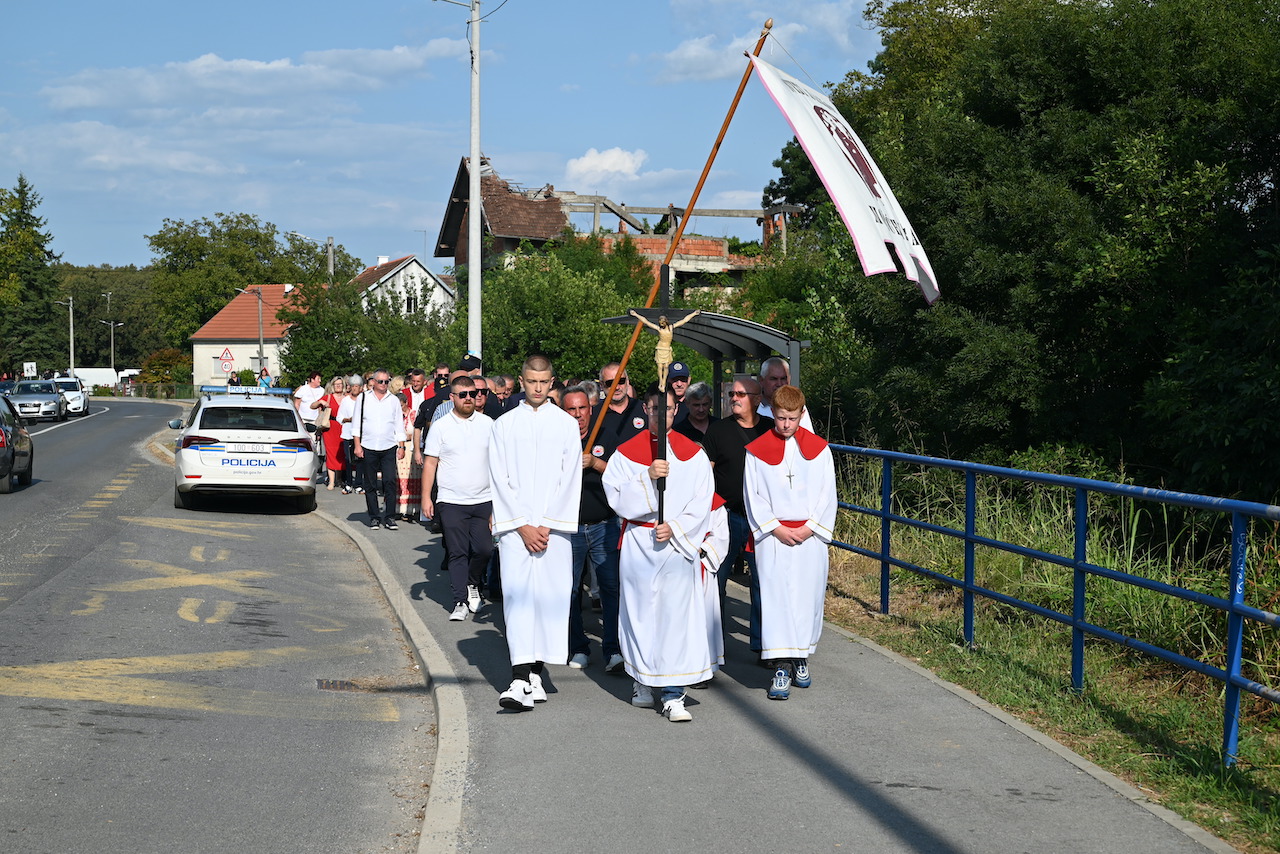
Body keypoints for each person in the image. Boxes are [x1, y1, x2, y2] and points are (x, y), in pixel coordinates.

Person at [603, 384, 714, 722]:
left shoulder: (693, 454)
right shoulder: (626, 453)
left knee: (674, 619)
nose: (661, 415)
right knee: (639, 615)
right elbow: (615, 496)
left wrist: (676, 527)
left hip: (675, 546)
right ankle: (641, 681)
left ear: (676, 411)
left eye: (667, 409)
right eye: (654, 409)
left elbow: (703, 500)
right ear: (645, 410)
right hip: (639, 541)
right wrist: (647, 477)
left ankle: (673, 693)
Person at [488, 355, 582, 712]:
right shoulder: (504, 424)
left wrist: (547, 523)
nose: (538, 388)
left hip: (553, 529)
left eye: (544, 382)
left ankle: (536, 673)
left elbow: (570, 477)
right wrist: (522, 524)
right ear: (522, 380)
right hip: (516, 529)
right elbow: (498, 477)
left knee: (547, 599)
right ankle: (519, 676)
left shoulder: (565, 424)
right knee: (517, 598)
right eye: (531, 381)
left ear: (552, 382)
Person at [744, 385, 837, 701]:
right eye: (781, 418)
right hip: (774, 538)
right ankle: (781, 668)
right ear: (773, 413)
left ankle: (801, 658)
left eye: (792, 418)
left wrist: (811, 528)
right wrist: (775, 528)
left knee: (806, 600)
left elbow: (828, 494)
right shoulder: (756, 451)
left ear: (801, 414)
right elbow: (752, 494)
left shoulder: (820, 450)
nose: (786, 424)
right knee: (776, 602)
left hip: (809, 538)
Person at [701, 376, 773, 655]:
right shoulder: (718, 430)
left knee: (762, 582)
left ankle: (763, 645)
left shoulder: (770, 429)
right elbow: (705, 474)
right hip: (726, 516)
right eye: (732, 393)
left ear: (757, 399)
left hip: (761, 519)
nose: (734, 398)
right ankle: (712, 645)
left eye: (741, 394)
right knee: (716, 579)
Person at [561, 386, 624, 673]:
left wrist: (596, 463)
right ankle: (578, 647)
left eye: (582, 408)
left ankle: (613, 649)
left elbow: (623, 475)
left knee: (611, 588)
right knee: (571, 590)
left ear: (591, 409)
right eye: (571, 409)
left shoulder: (606, 436)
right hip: (569, 527)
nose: (578, 415)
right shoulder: (558, 439)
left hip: (604, 525)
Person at [422, 375, 495, 621]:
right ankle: (459, 601)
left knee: (484, 550)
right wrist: (426, 498)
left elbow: (499, 463)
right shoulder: (441, 426)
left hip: (484, 500)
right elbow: (430, 463)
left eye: (473, 394)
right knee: (457, 552)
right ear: (452, 397)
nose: (469, 398)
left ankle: (472, 583)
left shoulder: (488, 424)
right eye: (463, 395)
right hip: (451, 500)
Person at [352, 369, 407, 530]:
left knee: (389, 482)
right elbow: (356, 424)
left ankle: (390, 517)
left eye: (386, 381)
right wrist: (357, 445)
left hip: (389, 446)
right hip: (368, 446)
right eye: (381, 381)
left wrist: (401, 446)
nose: (384, 384)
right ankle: (374, 517)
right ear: (374, 382)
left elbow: (398, 425)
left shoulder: (393, 400)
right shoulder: (363, 398)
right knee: (370, 484)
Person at [758, 356, 813, 431]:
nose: (779, 384)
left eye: (783, 378)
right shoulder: (753, 406)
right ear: (761, 380)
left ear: (789, 379)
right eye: (774, 379)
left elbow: (807, 436)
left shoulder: (797, 405)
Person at [598, 361, 645, 445]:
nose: (616, 387)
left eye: (621, 381)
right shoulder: (595, 415)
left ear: (627, 381)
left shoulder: (644, 410)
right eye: (610, 383)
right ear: (601, 385)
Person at [393, 390, 423, 522]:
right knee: (398, 478)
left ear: (406, 403)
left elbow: (418, 430)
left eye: (401, 405)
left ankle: (411, 509)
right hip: (397, 448)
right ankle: (398, 508)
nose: (399, 408)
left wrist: (410, 436)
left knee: (412, 478)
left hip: (410, 448)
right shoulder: (393, 416)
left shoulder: (413, 414)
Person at [294, 371, 330, 478]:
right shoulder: (303, 389)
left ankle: (317, 465)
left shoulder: (322, 390)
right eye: (318, 379)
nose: (320, 381)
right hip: (303, 419)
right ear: (312, 379)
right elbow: (297, 403)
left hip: (316, 420)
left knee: (316, 443)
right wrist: (298, 418)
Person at [336, 374, 365, 494]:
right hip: (348, 433)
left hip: (362, 434)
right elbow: (339, 417)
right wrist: (348, 419)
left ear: (361, 388)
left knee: (360, 459)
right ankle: (348, 483)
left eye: (356, 386)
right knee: (348, 460)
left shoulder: (364, 400)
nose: (354, 388)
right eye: (352, 386)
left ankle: (358, 484)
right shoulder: (345, 401)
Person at [320, 376, 348, 490]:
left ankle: (339, 479)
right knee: (331, 454)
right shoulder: (328, 397)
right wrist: (320, 402)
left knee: (342, 453)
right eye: (336, 384)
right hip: (330, 428)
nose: (338, 386)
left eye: (340, 384)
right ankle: (331, 481)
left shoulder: (347, 398)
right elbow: (312, 406)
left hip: (344, 427)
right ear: (332, 386)